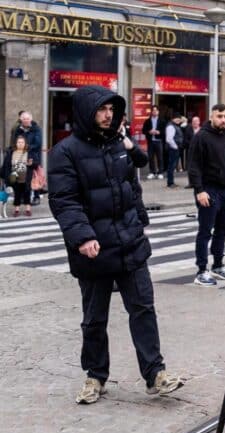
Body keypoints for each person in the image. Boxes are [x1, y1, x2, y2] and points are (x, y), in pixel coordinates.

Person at [47, 85, 183, 404]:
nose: (108, 115)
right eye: (101, 109)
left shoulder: (117, 145)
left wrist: (140, 224)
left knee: (143, 308)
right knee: (95, 317)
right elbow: (64, 201)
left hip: (129, 242)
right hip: (93, 249)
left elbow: (131, 187)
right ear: (86, 112)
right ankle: (95, 376)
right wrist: (82, 237)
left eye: (111, 109)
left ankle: (155, 374)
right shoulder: (65, 152)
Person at [188, 104, 225, 286]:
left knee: (222, 230)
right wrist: (199, 190)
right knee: (205, 231)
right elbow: (193, 166)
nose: (223, 120)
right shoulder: (201, 137)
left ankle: (218, 265)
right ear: (211, 117)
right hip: (209, 190)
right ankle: (201, 270)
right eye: (219, 116)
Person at [2, 136, 32, 216]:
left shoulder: (29, 152)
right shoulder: (11, 152)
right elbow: (6, 165)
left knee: (27, 192)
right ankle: (16, 210)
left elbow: (34, 163)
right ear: (16, 143)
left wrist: (31, 164)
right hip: (15, 177)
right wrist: (6, 175)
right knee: (17, 193)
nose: (20, 144)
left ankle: (28, 209)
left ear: (25, 144)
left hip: (26, 177)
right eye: (19, 142)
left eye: (22, 142)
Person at [141, 106, 164, 179]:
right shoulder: (147, 121)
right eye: (153, 110)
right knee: (150, 157)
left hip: (159, 141)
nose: (154, 112)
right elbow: (143, 131)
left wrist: (159, 132)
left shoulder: (162, 121)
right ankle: (152, 172)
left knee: (160, 157)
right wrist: (149, 132)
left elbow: (164, 131)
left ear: (158, 112)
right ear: (151, 112)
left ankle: (160, 172)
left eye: (156, 110)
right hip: (150, 141)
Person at [164, 114, 183, 189]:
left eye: (179, 119)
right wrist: (176, 147)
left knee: (172, 166)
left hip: (174, 148)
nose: (178, 120)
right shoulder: (171, 126)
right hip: (173, 149)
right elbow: (169, 139)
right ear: (173, 119)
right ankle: (170, 183)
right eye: (177, 119)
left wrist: (181, 119)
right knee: (171, 166)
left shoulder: (174, 125)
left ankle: (171, 182)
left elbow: (184, 121)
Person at [183, 116, 201, 188]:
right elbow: (185, 140)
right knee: (190, 168)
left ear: (199, 122)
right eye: (193, 122)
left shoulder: (202, 130)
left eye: (196, 121)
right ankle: (191, 183)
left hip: (200, 152)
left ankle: (199, 182)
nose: (195, 123)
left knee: (199, 168)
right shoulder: (188, 130)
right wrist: (192, 144)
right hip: (190, 152)